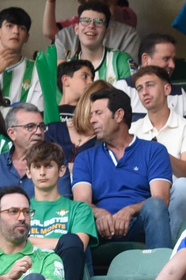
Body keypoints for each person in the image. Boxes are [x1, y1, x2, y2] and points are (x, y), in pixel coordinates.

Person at [72, 87, 174, 251]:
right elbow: (81, 202)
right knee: (80, 215)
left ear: (119, 115)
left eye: (98, 113)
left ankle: (162, 272)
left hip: (137, 223)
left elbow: (161, 199)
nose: (92, 120)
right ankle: (83, 278)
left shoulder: (154, 150)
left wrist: (130, 210)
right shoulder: (85, 158)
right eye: (91, 114)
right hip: (99, 226)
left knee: (155, 206)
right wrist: (100, 213)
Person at [130, 65, 186, 226]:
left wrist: (159, 154)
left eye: (150, 85)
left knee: (184, 186)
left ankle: (173, 247)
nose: (144, 92)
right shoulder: (133, 130)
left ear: (167, 89)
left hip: (177, 196)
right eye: (140, 88)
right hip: (143, 195)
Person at [110, 34, 186, 141]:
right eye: (166, 59)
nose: (172, 65)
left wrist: (178, 139)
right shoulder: (123, 87)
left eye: (173, 59)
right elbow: (111, 127)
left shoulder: (178, 92)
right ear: (146, 59)